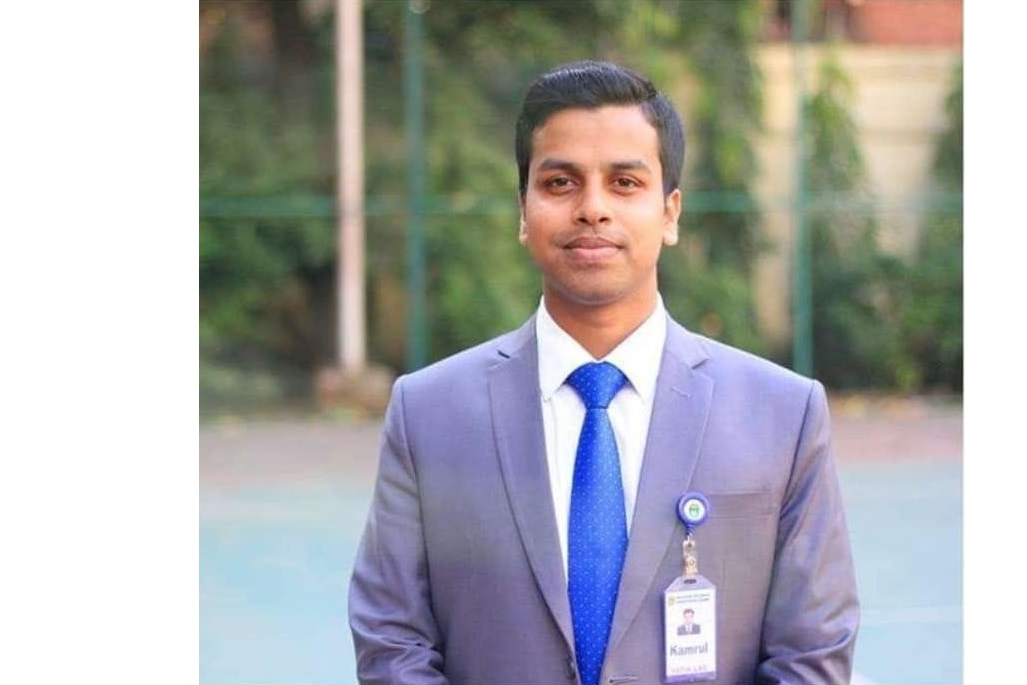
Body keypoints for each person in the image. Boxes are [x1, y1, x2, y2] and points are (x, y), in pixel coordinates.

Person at [348, 59, 859, 685]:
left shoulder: (783, 415)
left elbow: (812, 654)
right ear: (523, 211)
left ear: (670, 212)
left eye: (624, 182)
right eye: (561, 182)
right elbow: (392, 642)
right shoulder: (428, 414)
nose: (592, 208)